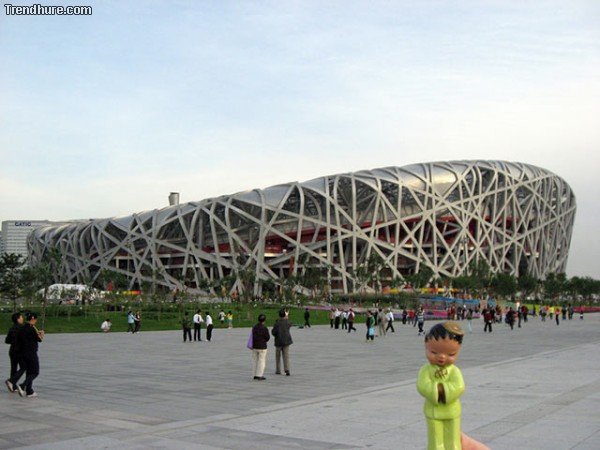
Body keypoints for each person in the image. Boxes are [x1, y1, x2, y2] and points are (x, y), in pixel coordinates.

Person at [417, 322, 465, 450]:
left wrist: (443, 389)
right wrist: (436, 389)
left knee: (453, 439)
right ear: (426, 347)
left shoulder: (454, 371)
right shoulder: (426, 370)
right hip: (433, 411)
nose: (442, 357)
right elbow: (422, 385)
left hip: (452, 410)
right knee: (435, 439)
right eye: (434, 352)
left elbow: (459, 386)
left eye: (451, 354)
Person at [15, 312, 44, 398]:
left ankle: (29, 391)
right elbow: (39, 339)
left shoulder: (22, 328)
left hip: (22, 353)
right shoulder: (32, 328)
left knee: (29, 372)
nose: (36, 321)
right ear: (33, 319)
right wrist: (41, 334)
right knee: (35, 372)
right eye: (35, 319)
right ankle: (22, 385)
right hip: (31, 353)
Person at [5, 312, 25, 393]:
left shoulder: (12, 328)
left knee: (13, 368)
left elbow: (7, 340)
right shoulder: (22, 328)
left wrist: (14, 341)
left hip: (12, 350)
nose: (22, 319)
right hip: (20, 351)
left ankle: (12, 387)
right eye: (21, 317)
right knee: (24, 367)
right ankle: (11, 381)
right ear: (18, 319)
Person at [272, 309, 293, 376]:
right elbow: (290, 323)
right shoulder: (287, 322)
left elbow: (273, 332)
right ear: (284, 315)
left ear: (279, 315)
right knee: (286, 356)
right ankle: (287, 369)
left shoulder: (277, 323)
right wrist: (287, 316)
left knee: (278, 356)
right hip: (286, 341)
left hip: (278, 341)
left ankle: (278, 370)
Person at [251, 314, 270, 380]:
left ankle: (254, 374)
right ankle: (259, 375)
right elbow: (267, 338)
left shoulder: (254, 327)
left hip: (255, 346)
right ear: (264, 320)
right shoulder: (264, 328)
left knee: (255, 361)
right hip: (262, 346)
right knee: (261, 361)